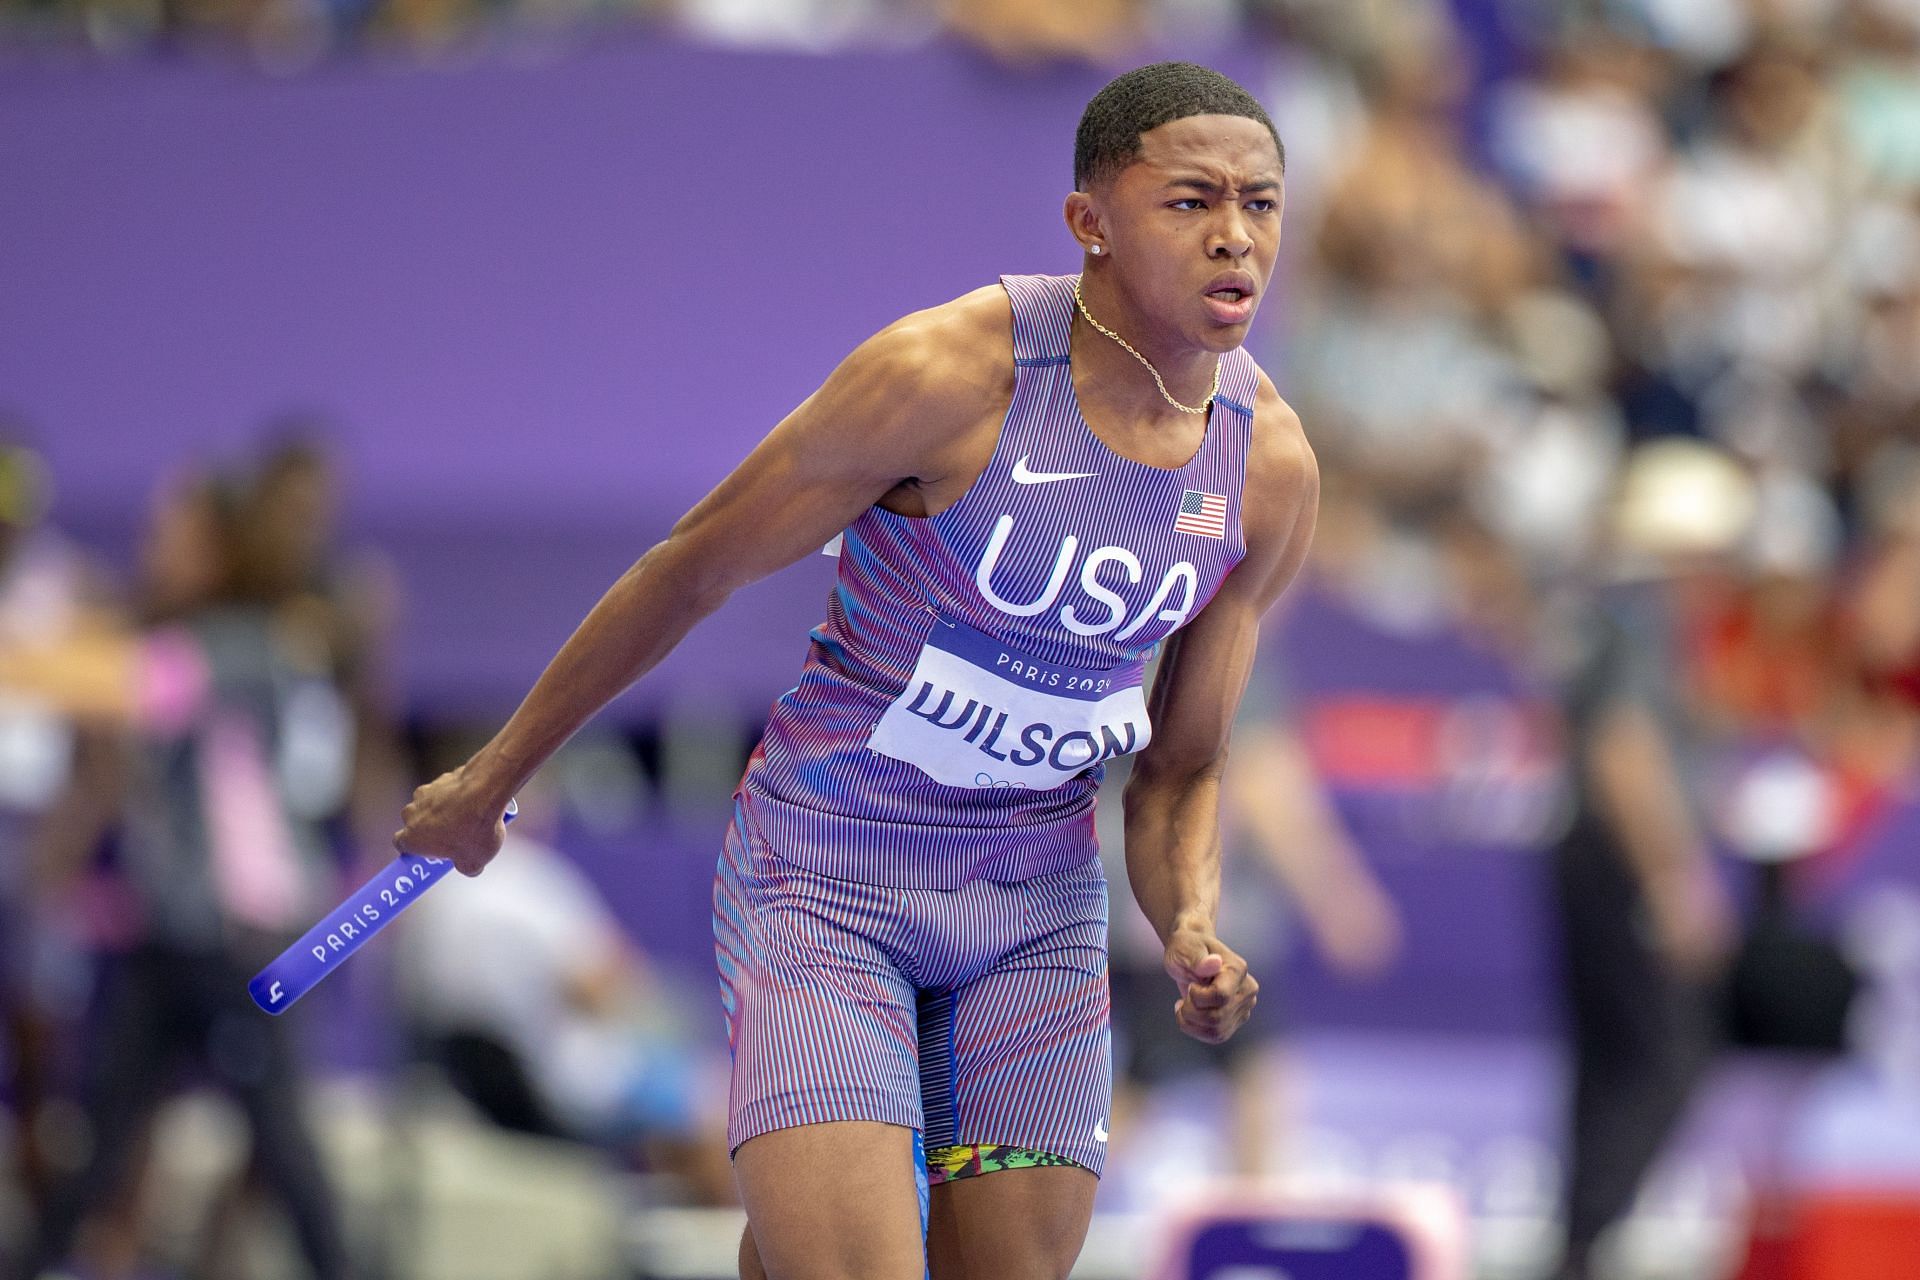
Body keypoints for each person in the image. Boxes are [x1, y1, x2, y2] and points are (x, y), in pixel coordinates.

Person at [394, 61, 1318, 1280]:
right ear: (1090, 222)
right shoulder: (944, 377)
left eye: (1260, 203)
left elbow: (1182, 762)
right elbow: (690, 569)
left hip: (1033, 912)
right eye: (1191, 201)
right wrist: (491, 775)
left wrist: (1189, 921)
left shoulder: (1268, 469)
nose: (1235, 237)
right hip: (828, 879)